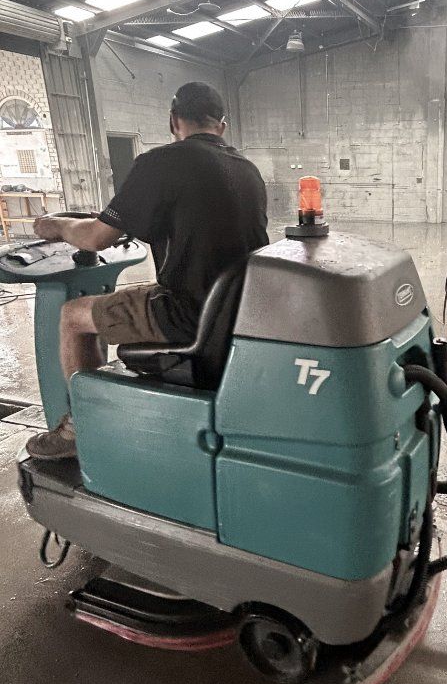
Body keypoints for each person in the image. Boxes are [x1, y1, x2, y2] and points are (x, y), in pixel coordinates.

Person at [26, 82, 269, 460]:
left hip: (187, 313)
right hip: (236, 311)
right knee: (115, 305)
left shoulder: (160, 163)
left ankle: (78, 429)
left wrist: (56, 225)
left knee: (73, 316)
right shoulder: (248, 171)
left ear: (174, 121)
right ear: (222, 125)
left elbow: (95, 238)